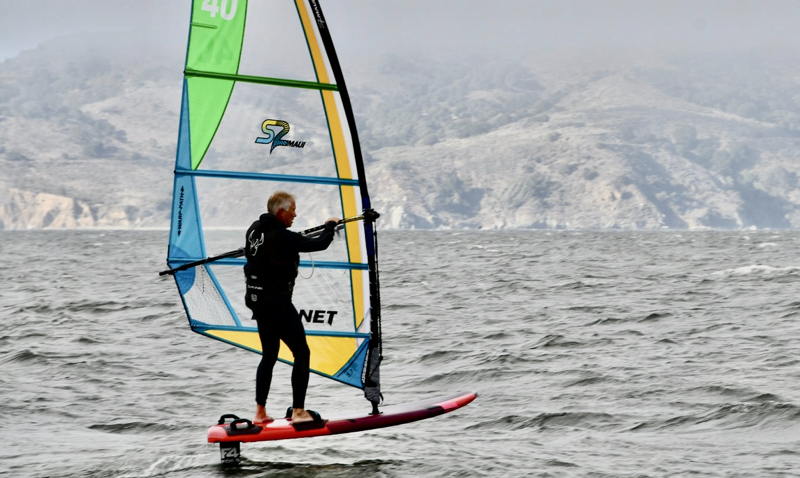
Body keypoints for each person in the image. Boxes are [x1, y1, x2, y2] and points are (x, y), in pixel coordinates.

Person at [244, 191, 339, 425]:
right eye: (293, 210)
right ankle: (298, 411)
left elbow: (274, 248)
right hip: (278, 304)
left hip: (258, 302)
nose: (296, 214)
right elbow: (318, 244)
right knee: (302, 353)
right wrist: (330, 227)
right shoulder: (283, 236)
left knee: (269, 356)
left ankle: (260, 413)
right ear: (281, 211)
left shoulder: (254, 230)